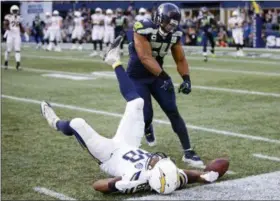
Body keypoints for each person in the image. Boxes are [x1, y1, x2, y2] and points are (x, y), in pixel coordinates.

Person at [40, 36, 222, 195]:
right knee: (137, 103)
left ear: (152, 176)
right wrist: (204, 176)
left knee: (77, 124)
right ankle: (113, 59)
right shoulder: (168, 175)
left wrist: (126, 185)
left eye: (157, 162)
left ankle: (55, 122)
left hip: (109, 154)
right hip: (130, 143)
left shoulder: (137, 179)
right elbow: (191, 173)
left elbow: (97, 186)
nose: (158, 158)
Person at [126, 3, 203, 166]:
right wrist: (164, 76)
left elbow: (180, 58)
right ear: (159, 18)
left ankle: (188, 152)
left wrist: (186, 79)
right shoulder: (143, 27)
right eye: (168, 23)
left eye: (173, 25)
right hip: (137, 76)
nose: (169, 27)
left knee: (172, 110)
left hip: (157, 76)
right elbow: (145, 57)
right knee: (146, 114)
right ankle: (147, 128)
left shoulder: (174, 34)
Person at [3, 5, 29, 70]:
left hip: (17, 35)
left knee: (17, 50)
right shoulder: (8, 17)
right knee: (8, 50)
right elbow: (5, 25)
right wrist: (7, 29)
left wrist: (25, 33)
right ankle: (6, 62)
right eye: (14, 10)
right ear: (11, 10)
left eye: (16, 10)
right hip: (10, 35)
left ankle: (18, 64)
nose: (15, 12)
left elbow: (20, 26)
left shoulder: (19, 17)